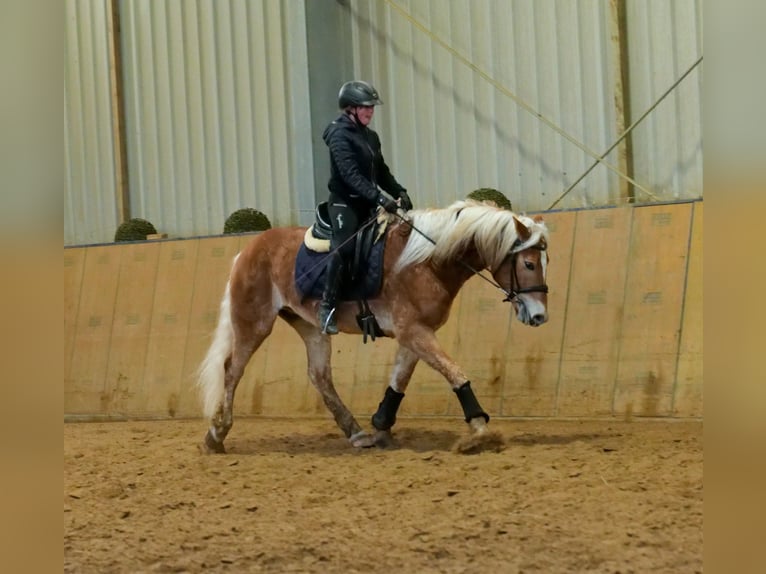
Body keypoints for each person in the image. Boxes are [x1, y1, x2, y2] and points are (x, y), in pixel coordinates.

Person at [317, 80, 413, 335]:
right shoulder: (338, 135)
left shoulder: (370, 136)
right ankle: (327, 306)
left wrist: (398, 191)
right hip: (344, 203)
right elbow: (349, 175)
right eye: (365, 107)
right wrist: (380, 199)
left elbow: (380, 171)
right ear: (350, 108)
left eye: (371, 108)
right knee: (344, 247)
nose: (370, 112)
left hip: (368, 202)